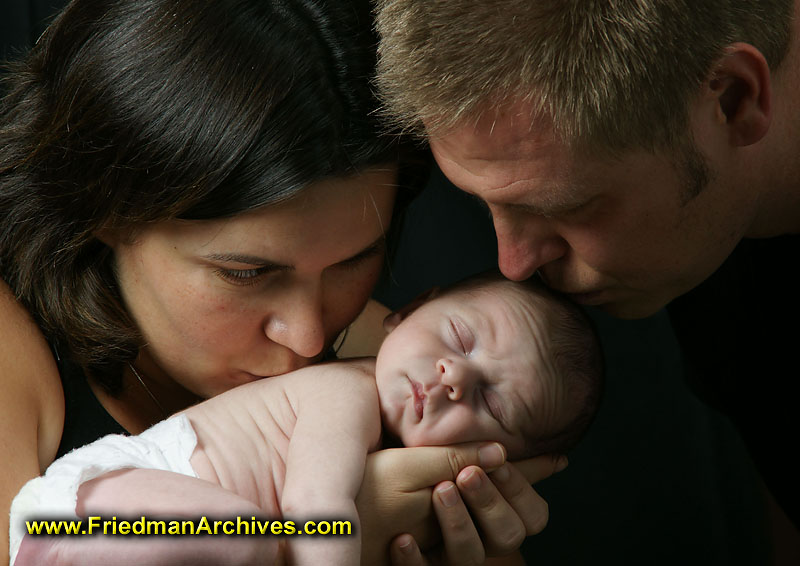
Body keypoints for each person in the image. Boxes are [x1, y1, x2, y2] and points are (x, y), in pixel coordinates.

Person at [0, 1, 569, 565]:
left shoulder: (414, 365)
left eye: (354, 262)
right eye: (245, 273)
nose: (309, 338)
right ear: (102, 212)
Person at [373, 0, 800, 536]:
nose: (515, 264)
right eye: (484, 206)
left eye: (561, 209)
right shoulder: (696, 239)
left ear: (734, 98)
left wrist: (317, 529)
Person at [10, 274, 602, 565]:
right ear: (404, 314)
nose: (454, 377)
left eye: (492, 405)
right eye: (460, 338)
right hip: (93, 510)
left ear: (505, 458)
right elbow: (317, 509)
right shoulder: (343, 392)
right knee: (248, 537)